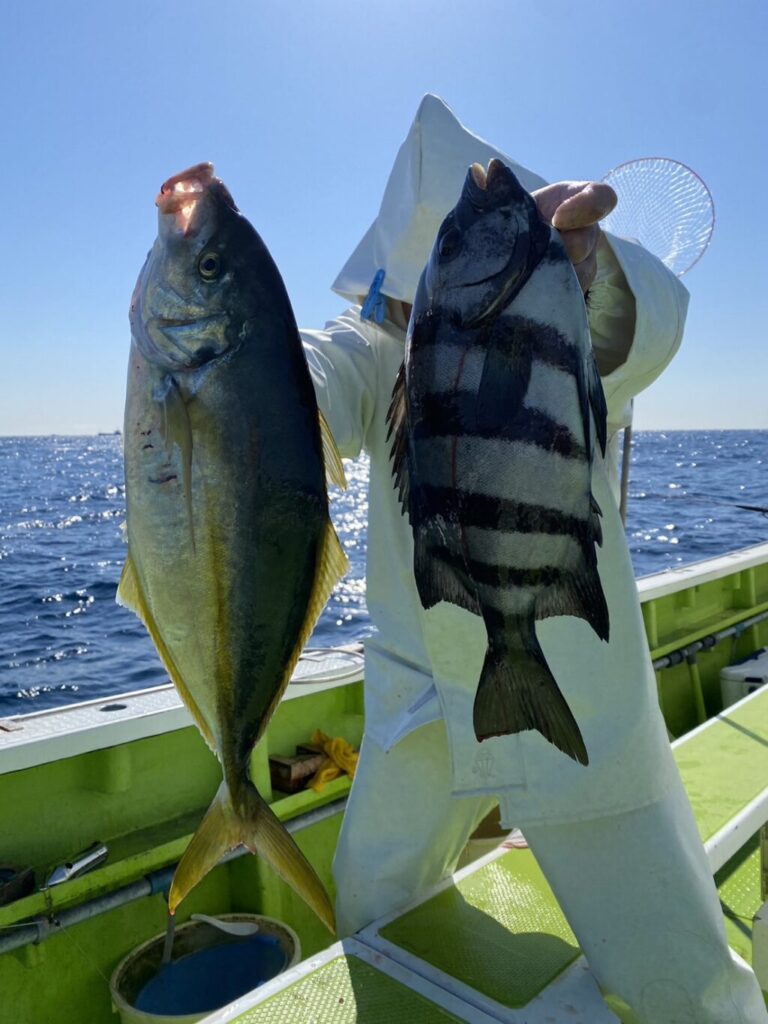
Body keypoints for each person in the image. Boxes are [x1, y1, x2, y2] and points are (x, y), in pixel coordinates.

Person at [301, 94, 767, 1022]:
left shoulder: (556, 306)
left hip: (573, 678)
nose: (412, 308)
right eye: (407, 286)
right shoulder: (371, 347)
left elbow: (646, 326)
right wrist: (237, 387)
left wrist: (590, 269)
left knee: (674, 964)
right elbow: (307, 371)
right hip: (418, 700)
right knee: (371, 906)